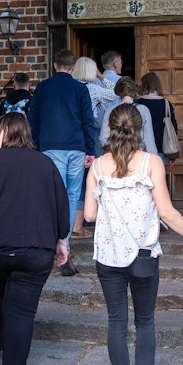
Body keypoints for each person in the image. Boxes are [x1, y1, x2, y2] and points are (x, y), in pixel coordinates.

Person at [84, 104, 183, 365]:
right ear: (140, 129)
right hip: (142, 254)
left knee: (116, 321)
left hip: (109, 256)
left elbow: (88, 214)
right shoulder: (151, 163)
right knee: (145, 321)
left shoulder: (97, 167)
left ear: (109, 128)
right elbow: (166, 211)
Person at [0, 113, 70, 365]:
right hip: (35, 248)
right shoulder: (44, 164)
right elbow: (60, 207)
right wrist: (61, 239)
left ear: (2, 133)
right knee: (22, 311)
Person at [28, 50, 98, 276]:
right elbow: (88, 121)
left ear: (55, 64)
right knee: (70, 197)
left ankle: (49, 247)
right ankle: (64, 247)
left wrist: (37, 145)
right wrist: (90, 149)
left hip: (50, 146)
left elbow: (33, 120)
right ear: (73, 66)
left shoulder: (42, 88)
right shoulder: (80, 89)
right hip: (76, 147)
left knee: (50, 197)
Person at [71, 56, 117, 238]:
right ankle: (95, 221)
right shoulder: (94, 90)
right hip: (93, 135)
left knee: (77, 180)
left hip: (74, 135)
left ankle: (76, 224)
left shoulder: (72, 89)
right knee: (98, 177)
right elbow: (116, 92)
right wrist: (101, 75)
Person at [99, 77, 157, 155]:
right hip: (138, 156)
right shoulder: (143, 110)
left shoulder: (110, 110)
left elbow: (103, 138)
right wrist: (153, 159)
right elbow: (149, 140)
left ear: (118, 92)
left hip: (116, 155)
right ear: (134, 91)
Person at [135, 72, 179, 164]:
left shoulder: (138, 104)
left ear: (143, 85)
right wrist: (172, 155)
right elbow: (173, 128)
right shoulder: (166, 104)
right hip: (162, 149)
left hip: (140, 150)